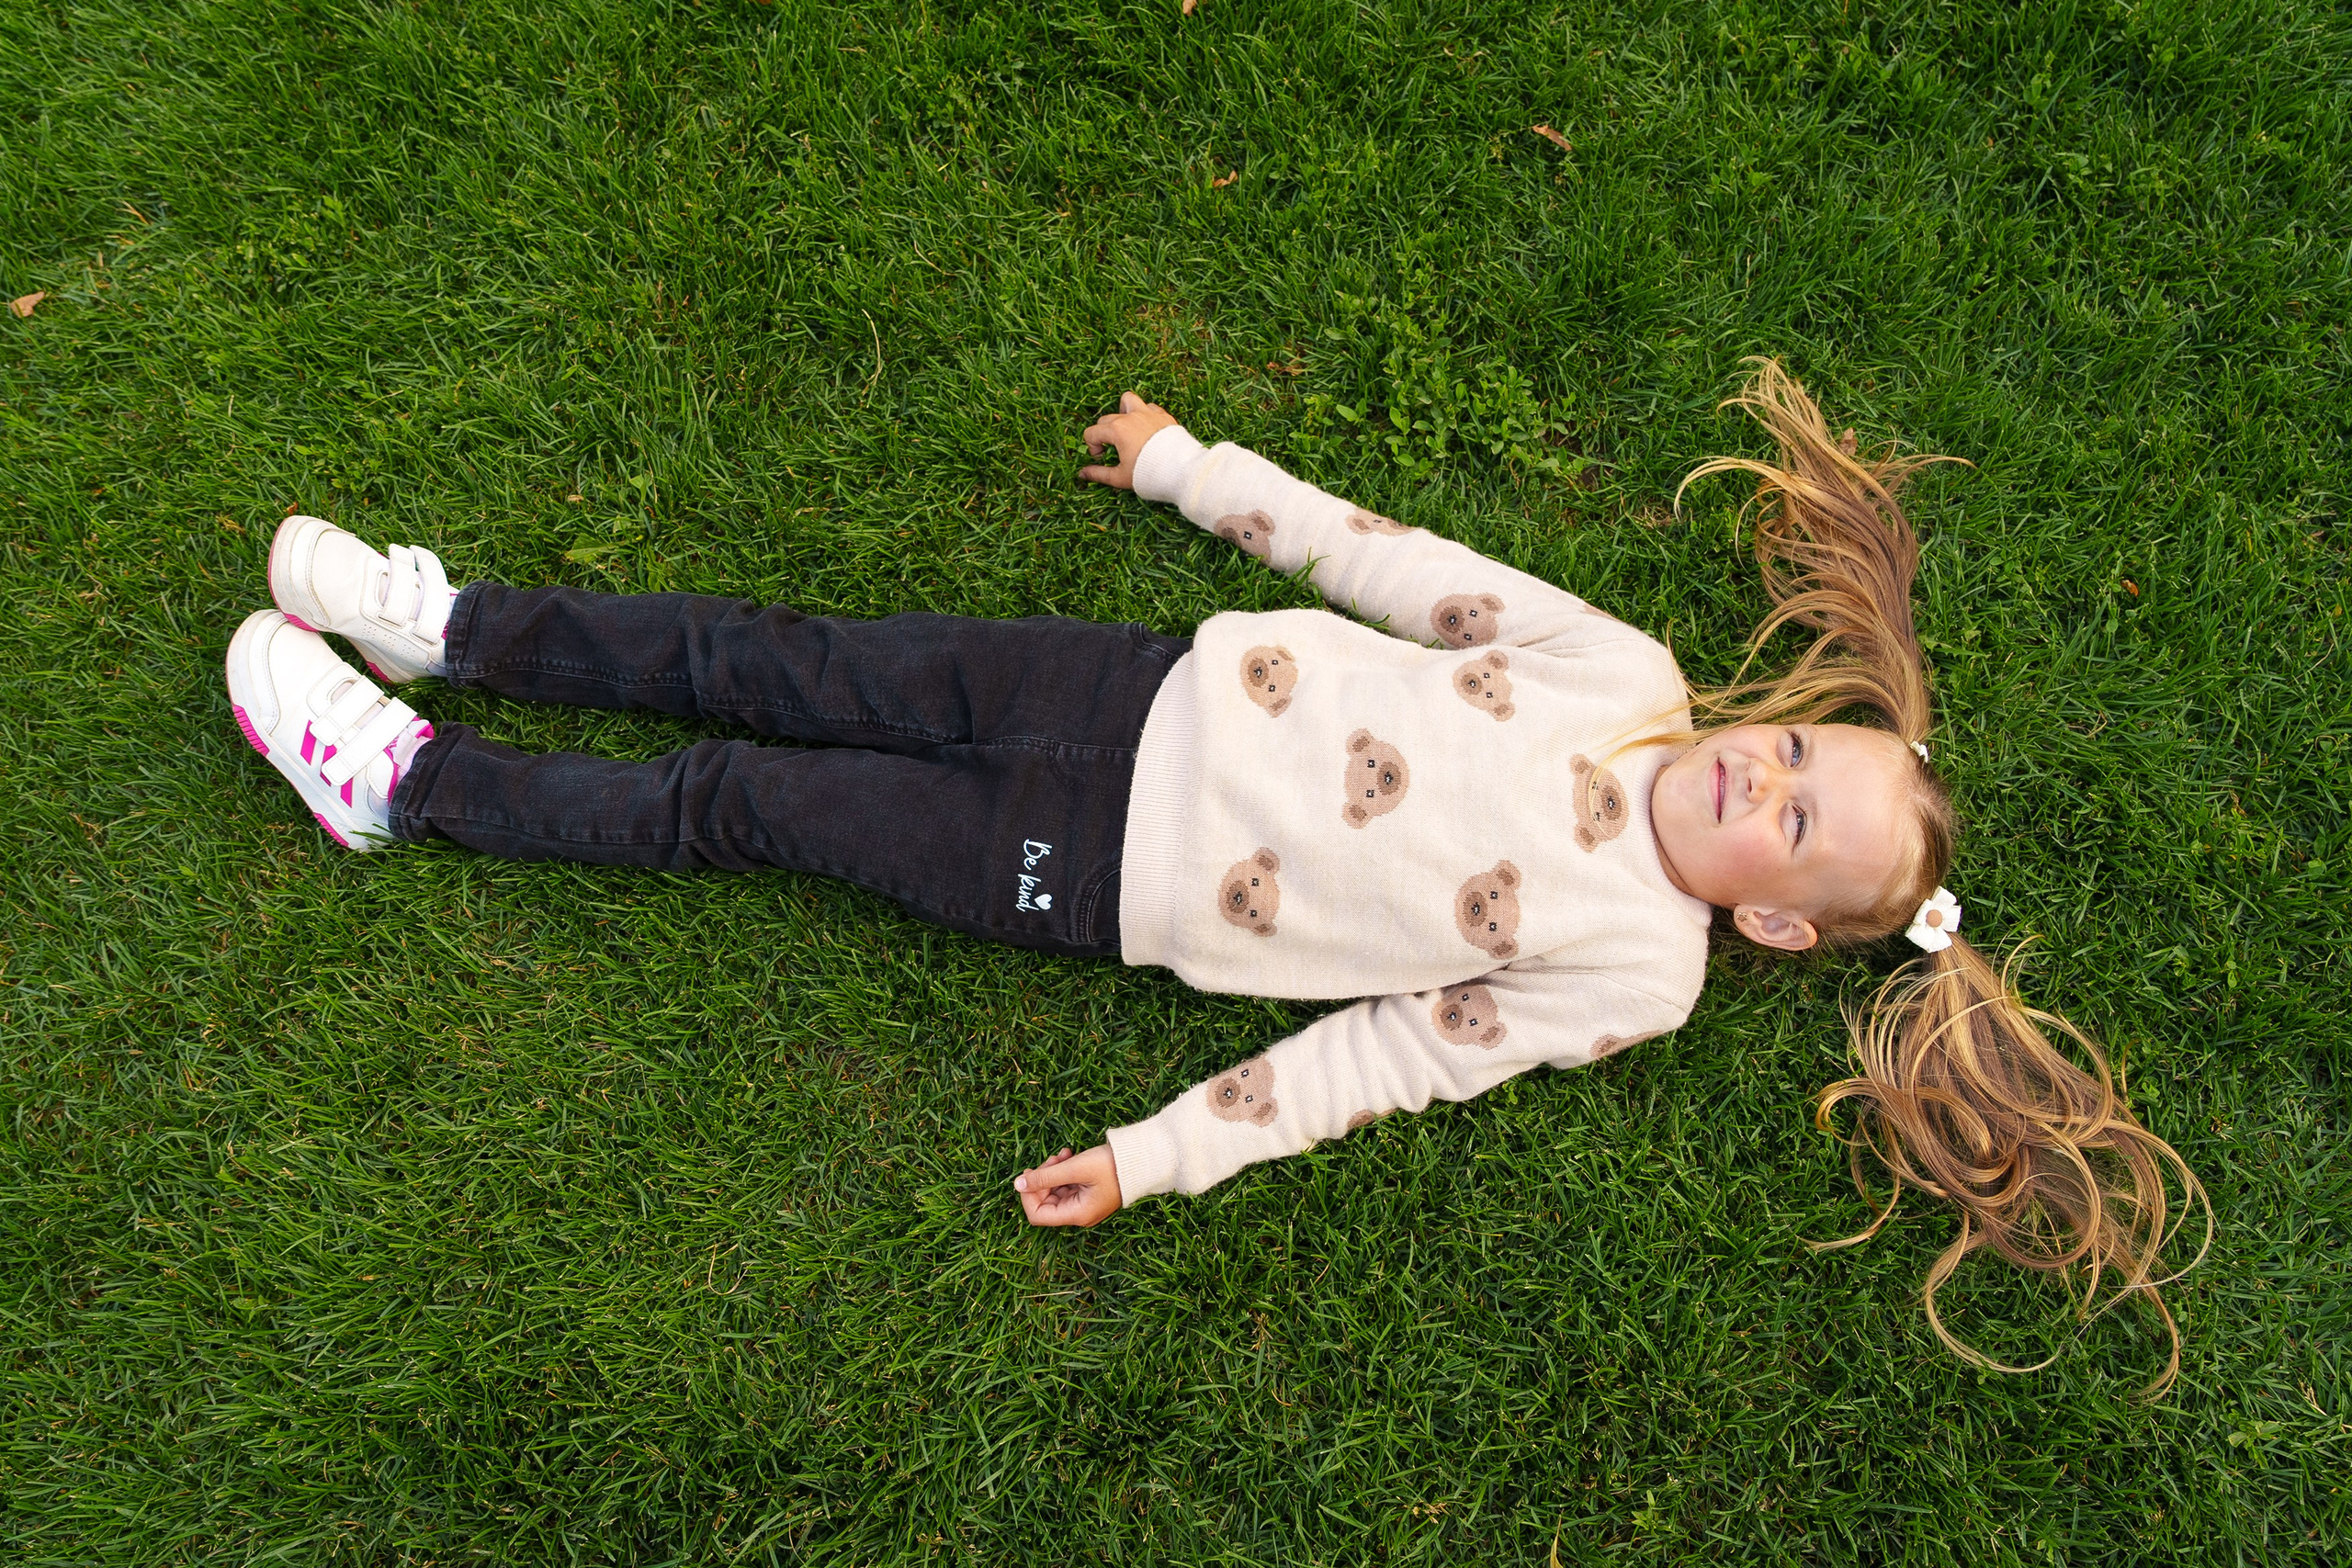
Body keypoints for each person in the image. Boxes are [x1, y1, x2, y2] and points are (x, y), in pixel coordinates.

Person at [222, 361, 2206, 1386]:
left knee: (742, 798)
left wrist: (1157, 1152)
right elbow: (1399, 566)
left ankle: (412, 783)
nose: (1755, 775)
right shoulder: (1625, 675)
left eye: (1791, 821)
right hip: (1122, 685)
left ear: (1774, 914)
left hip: (1087, 871)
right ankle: (453, 622)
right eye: (1792, 752)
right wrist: (1198, 471)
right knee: (782, 656)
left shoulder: (1637, 975)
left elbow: (1385, 1058)